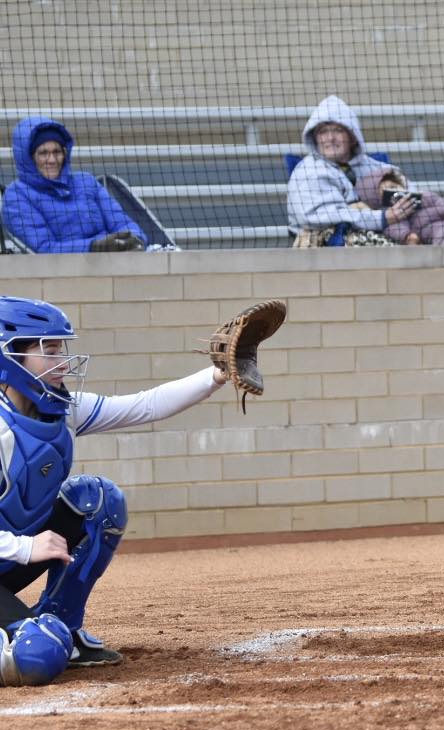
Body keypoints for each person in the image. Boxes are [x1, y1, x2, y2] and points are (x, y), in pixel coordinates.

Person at [0, 296, 231, 686]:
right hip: (14, 551)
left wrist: (217, 375)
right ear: (9, 357)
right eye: (48, 350)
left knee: (97, 500)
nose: (62, 361)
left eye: (61, 348)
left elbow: (146, 406)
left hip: (8, 560)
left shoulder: (61, 409)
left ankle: (65, 629)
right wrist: (24, 548)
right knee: (36, 657)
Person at [2, 117, 147, 254]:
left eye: (57, 152)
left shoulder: (86, 182)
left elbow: (123, 223)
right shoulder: (16, 197)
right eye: (43, 153)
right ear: (28, 158)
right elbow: (46, 249)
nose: (52, 160)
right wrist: (95, 246)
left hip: (112, 263)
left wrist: (136, 239)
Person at [286, 95, 418, 247]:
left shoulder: (372, 166)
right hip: (323, 245)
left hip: (374, 233)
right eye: (323, 132)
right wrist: (383, 218)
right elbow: (324, 217)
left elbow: (409, 189)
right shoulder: (307, 170)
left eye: (338, 131)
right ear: (315, 138)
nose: (330, 138)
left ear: (353, 137)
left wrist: (405, 202)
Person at [355, 163, 444, 245]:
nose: (395, 192)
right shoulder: (395, 213)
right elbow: (395, 227)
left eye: (395, 186)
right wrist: (408, 236)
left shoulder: (422, 195)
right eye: (387, 191)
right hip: (433, 228)